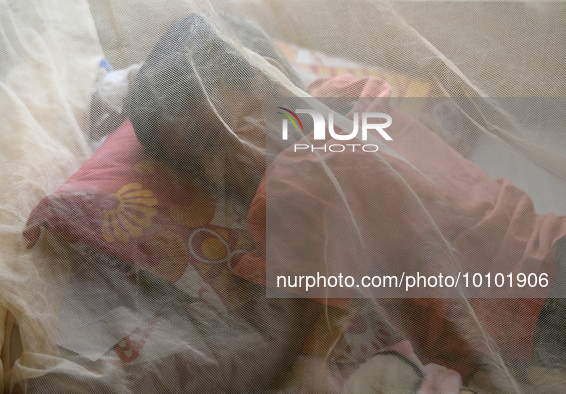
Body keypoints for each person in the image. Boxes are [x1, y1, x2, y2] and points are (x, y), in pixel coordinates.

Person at [129, 10, 566, 390]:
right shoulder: (352, 103)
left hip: (527, 306)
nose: (211, 174)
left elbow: (295, 327)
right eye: (192, 165)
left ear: (264, 75)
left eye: (210, 139)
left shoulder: (291, 180)